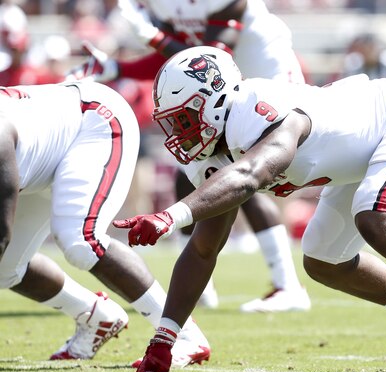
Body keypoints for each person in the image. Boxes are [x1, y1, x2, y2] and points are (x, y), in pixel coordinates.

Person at [116, 46, 386, 372]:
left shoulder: (256, 108)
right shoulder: (213, 152)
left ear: (217, 100)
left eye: (185, 119)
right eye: (173, 123)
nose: (180, 135)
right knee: (324, 258)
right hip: (365, 156)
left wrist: (170, 217)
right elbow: (204, 250)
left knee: (375, 214)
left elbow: (253, 174)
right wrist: (165, 337)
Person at [68, 0, 310, 313]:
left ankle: (287, 285)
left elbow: (209, 62)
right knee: (194, 174)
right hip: (221, 82)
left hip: (264, 76)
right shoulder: (163, 6)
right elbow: (181, 60)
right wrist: (119, 68)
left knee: (241, 176)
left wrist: (154, 38)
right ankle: (202, 288)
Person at [0, 80, 210, 366]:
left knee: (80, 240)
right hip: (39, 155)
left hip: (94, 122)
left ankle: (185, 335)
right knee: (5, 269)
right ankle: (95, 315)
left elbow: (1, 234)